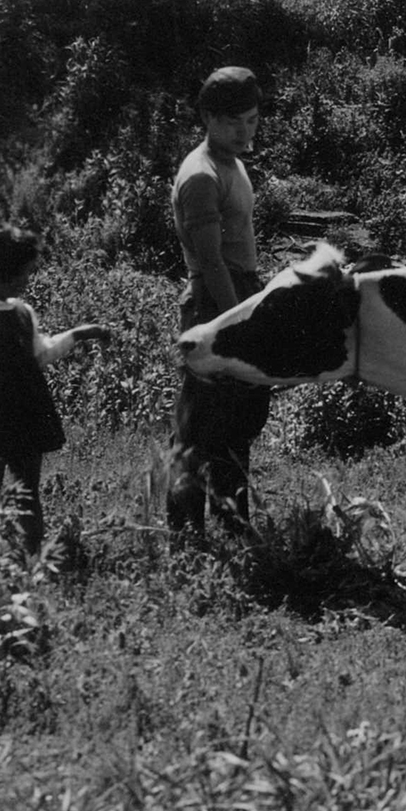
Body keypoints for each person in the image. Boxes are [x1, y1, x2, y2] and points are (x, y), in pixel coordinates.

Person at [0, 223, 111, 556]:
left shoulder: (23, 313)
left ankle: (33, 556)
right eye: (23, 273)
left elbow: (41, 354)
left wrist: (77, 334)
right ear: (5, 272)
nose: (27, 280)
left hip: (24, 417)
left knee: (27, 492)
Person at [166, 66, 271, 532]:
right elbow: (210, 261)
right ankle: (185, 534)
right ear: (208, 118)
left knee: (239, 416)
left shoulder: (233, 163)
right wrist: (236, 321)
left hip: (238, 291)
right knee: (201, 425)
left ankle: (232, 524)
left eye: (251, 121)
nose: (244, 133)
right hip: (215, 301)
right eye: (233, 123)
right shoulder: (201, 175)